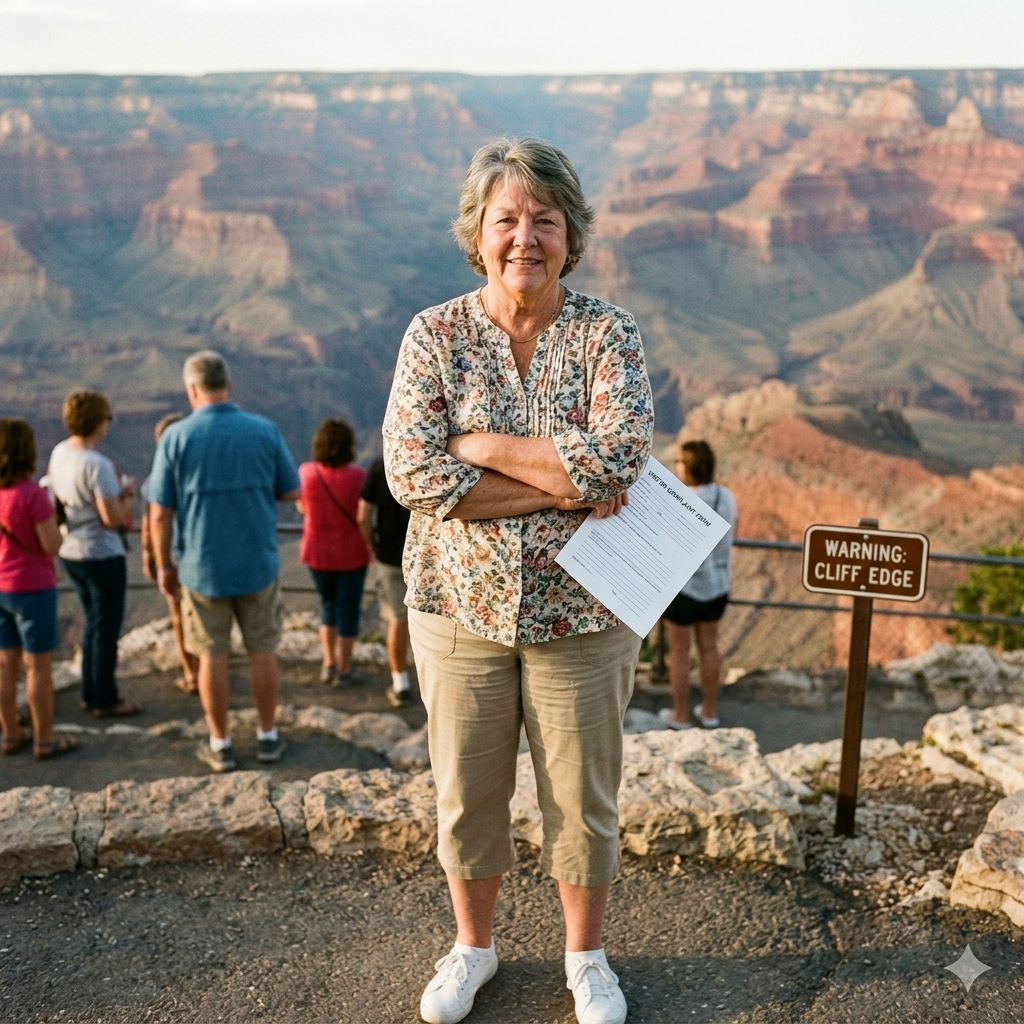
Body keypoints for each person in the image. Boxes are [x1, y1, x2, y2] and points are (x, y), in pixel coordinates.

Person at [384, 137, 653, 1024]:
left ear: (571, 233)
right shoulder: (435, 334)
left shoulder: (608, 334)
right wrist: (557, 479)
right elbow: (411, 474)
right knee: (468, 792)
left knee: (583, 796)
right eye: (508, 219)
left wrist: (482, 449)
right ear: (479, 232)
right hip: (459, 612)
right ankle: (473, 949)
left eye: (545, 219)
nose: (525, 238)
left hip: (584, 614)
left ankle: (587, 959)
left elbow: (617, 464)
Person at [148, 351, 300, 773]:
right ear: (228, 386)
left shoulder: (175, 438)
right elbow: (290, 489)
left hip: (201, 568)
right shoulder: (263, 431)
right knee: (262, 652)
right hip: (258, 563)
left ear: (191, 390)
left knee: (211, 656)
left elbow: (159, 512)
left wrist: (164, 566)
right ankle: (268, 737)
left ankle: (220, 744)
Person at [48, 390, 140, 718]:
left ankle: (90, 691)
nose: (109, 425)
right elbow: (112, 518)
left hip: (72, 551)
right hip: (101, 554)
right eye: (107, 418)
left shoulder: (60, 452)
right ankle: (105, 698)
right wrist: (128, 495)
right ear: (97, 422)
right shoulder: (97, 465)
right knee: (106, 627)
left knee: (93, 622)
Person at [0, 418, 76, 758]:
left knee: (4, 664)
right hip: (32, 588)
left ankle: (10, 735)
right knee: (38, 666)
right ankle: (44, 740)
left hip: (0, 586)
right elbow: (51, 545)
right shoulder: (32, 495)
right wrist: (60, 525)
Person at [658, 440, 738, 731]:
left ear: (687, 466)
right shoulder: (725, 497)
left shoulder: (676, 500)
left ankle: (680, 715)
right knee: (709, 648)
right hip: (718, 585)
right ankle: (709, 712)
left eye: (679, 461)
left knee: (679, 652)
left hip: (683, 591)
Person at [296, 418, 371, 687]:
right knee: (348, 612)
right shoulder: (358, 477)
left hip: (317, 554)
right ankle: (345, 668)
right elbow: (362, 515)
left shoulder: (307, 473)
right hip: (352, 555)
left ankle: (328, 664)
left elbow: (302, 507)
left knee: (328, 607)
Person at [140, 412, 199, 695]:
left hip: (172, 558)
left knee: (178, 617)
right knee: (206, 618)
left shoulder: (151, 483)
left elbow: (149, 522)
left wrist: (150, 557)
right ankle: (210, 669)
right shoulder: (197, 476)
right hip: (198, 556)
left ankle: (191, 673)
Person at [358, 456, 413, 707]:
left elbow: (363, 516)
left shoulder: (380, 465)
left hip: (389, 554)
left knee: (397, 619)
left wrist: (373, 546)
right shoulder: (433, 455)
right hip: (427, 554)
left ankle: (400, 682)